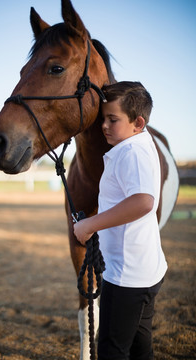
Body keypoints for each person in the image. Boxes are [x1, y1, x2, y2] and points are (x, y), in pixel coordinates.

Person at [73, 81, 167, 360]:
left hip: (127, 278)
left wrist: (90, 225)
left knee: (112, 351)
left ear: (138, 122)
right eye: (103, 118)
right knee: (140, 348)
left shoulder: (131, 152)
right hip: (145, 270)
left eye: (113, 119)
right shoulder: (140, 139)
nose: (104, 126)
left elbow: (143, 202)